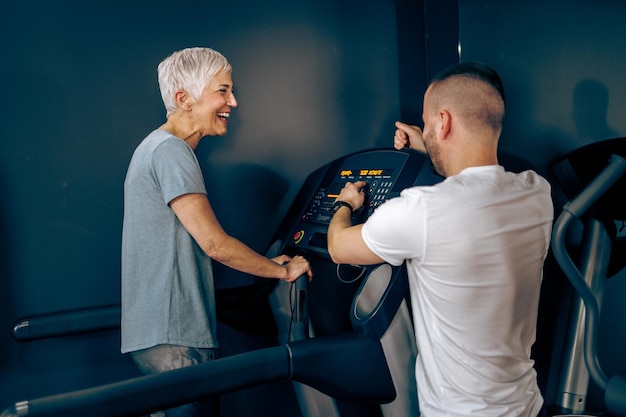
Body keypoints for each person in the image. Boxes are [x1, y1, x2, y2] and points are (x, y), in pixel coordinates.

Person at [327, 62, 553, 416]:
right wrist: (431, 147)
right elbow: (482, 177)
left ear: (444, 122)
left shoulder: (421, 211)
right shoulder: (537, 193)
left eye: (429, 122)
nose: (427, 129)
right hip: (525, 404)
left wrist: (345, 203)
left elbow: (339, 248)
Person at [121, 47, 313, 417]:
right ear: (184, 99)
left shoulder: (155, 149)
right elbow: (214, 244)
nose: (233, 101)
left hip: (160, 335)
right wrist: (283, 270)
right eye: (222, 91)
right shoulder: (171, 152)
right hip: (173, 338)